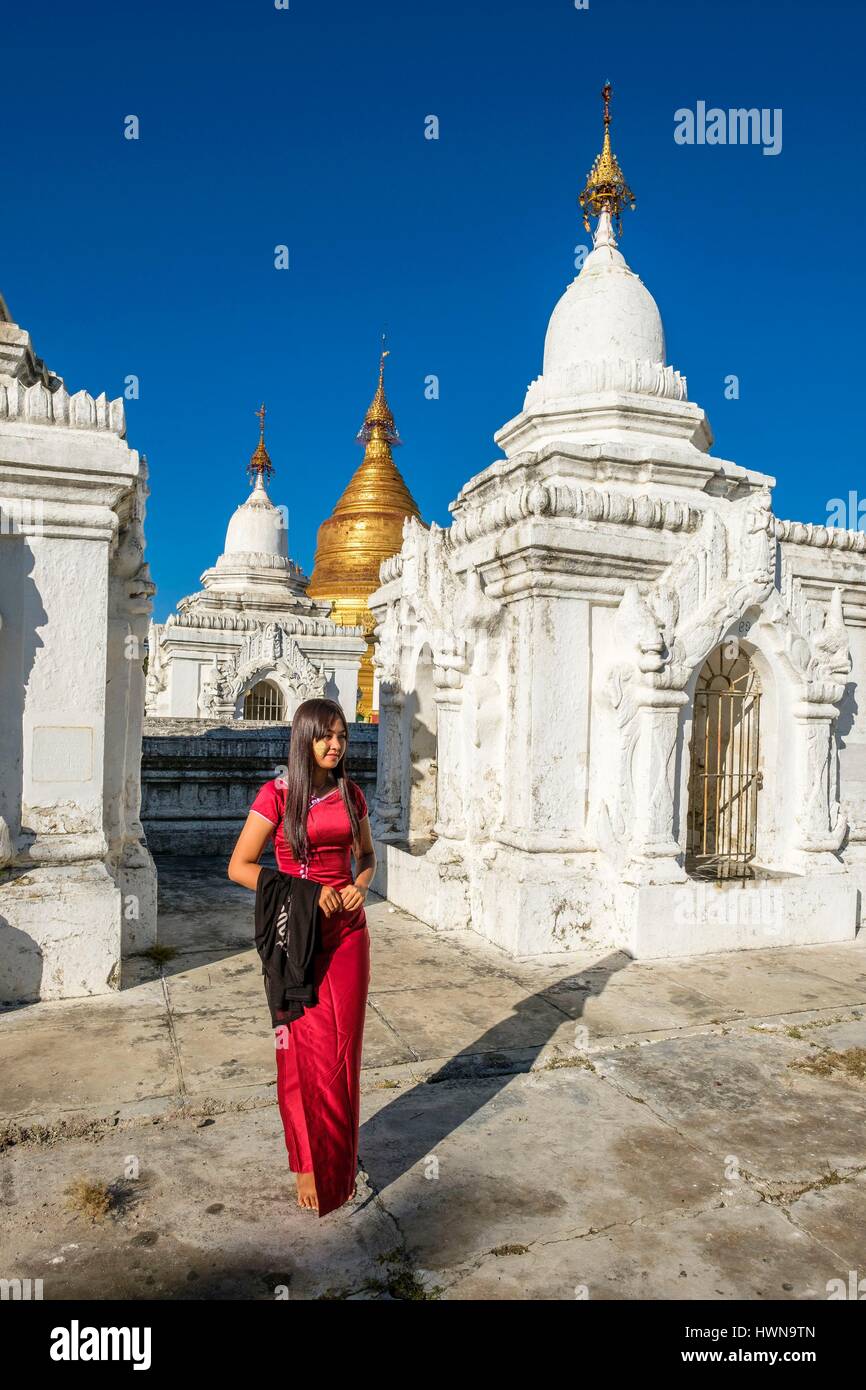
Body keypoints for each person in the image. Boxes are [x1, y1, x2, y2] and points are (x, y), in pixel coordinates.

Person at [227, 697, 376, 1214]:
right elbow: (240, 866)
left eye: (341, 736)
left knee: (342, 1053)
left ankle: (340, 1160)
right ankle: (309, 1163)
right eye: (325, 736)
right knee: (300, 1053)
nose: (335, 745)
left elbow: (367, 858)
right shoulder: (278, 795)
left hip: (349, 936)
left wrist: (359, 886)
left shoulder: (351, 794)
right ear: (304, 738)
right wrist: (307, 895)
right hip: (298, 939)